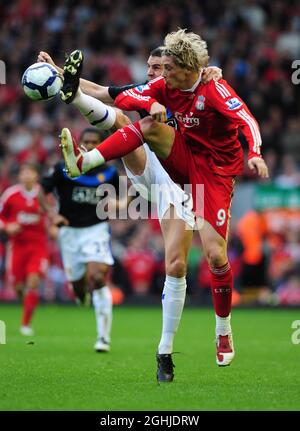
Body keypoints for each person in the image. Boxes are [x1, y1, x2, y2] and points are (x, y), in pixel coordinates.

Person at [38, 48, 221, 382]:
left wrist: (213, 72)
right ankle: (74, 114)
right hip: (153, 167)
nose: (153, 72)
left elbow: (218, 94)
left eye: (161, 67)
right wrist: (65, 79)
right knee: (125, 120)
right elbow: (102, 91)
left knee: (177, 265)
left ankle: (165, 351)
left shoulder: (199, 88)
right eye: (150, 66)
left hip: (188, 182)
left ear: (177, 68)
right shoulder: (147, 90)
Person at [40, 127, 121, 353]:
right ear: (79, 144)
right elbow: (42, 190)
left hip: (96, 229)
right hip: (69, 234)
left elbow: (124, 194)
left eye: (96, 142)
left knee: (98, 277)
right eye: (87, 141)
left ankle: (103, 338)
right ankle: (80, 295)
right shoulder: (63, 168)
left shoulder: (109, 173)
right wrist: (52, 214)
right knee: (78, 286)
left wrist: (120, 204)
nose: (91, 145)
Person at [0, 163, 49, 336]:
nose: (27, 176)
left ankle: (26, 324)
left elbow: (52, 214)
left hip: (38, 246)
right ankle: (27, 302)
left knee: (33, 281)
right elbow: (1, 218)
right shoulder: (10, 195)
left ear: (36, 176)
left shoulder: (44, 195)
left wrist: (54, 228)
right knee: (18, 287)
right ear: (20, 176)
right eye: (24, 173)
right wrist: (7, 226)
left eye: (30, 172)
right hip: (17, 247)